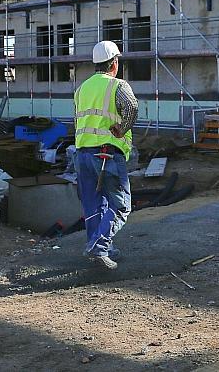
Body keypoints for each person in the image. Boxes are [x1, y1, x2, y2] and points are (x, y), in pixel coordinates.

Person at [74, 41, 138, 270]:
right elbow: (131, 109)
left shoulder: (81, 89)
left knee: (93, 205)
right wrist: (121, 129)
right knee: (121, 206)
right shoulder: (117, 86)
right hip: (106, 154)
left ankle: (100, 247)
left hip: (82, 155)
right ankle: (99, 247)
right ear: (114, 63)